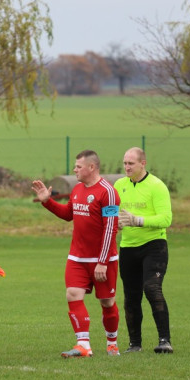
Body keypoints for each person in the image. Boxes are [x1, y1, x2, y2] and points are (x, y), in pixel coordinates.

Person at [32, 150, 121, 358]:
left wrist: (102, 261)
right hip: (77, 257)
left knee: (107, 302)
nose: (74, 170)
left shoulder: (108, 192)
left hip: (103, 259)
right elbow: (67, 215)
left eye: (78, 166)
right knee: (73, 294)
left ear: (92, 167)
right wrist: (47, 201)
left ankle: (112, 343)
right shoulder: (78, 189)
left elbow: (111, 228)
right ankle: (83, 345)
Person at [114, 147, 174, 353]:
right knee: (131, 296)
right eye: (124, 163)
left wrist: (137, 220)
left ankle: (164, 340)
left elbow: (166, 219)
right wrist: (116, 222)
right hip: (128, 247)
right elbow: (112, 211)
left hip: (154, 246)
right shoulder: (119, 185)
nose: (127, 167)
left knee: (152, 288)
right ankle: (134, 344)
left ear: (143, 163)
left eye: (131, 163)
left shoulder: (157, 186)